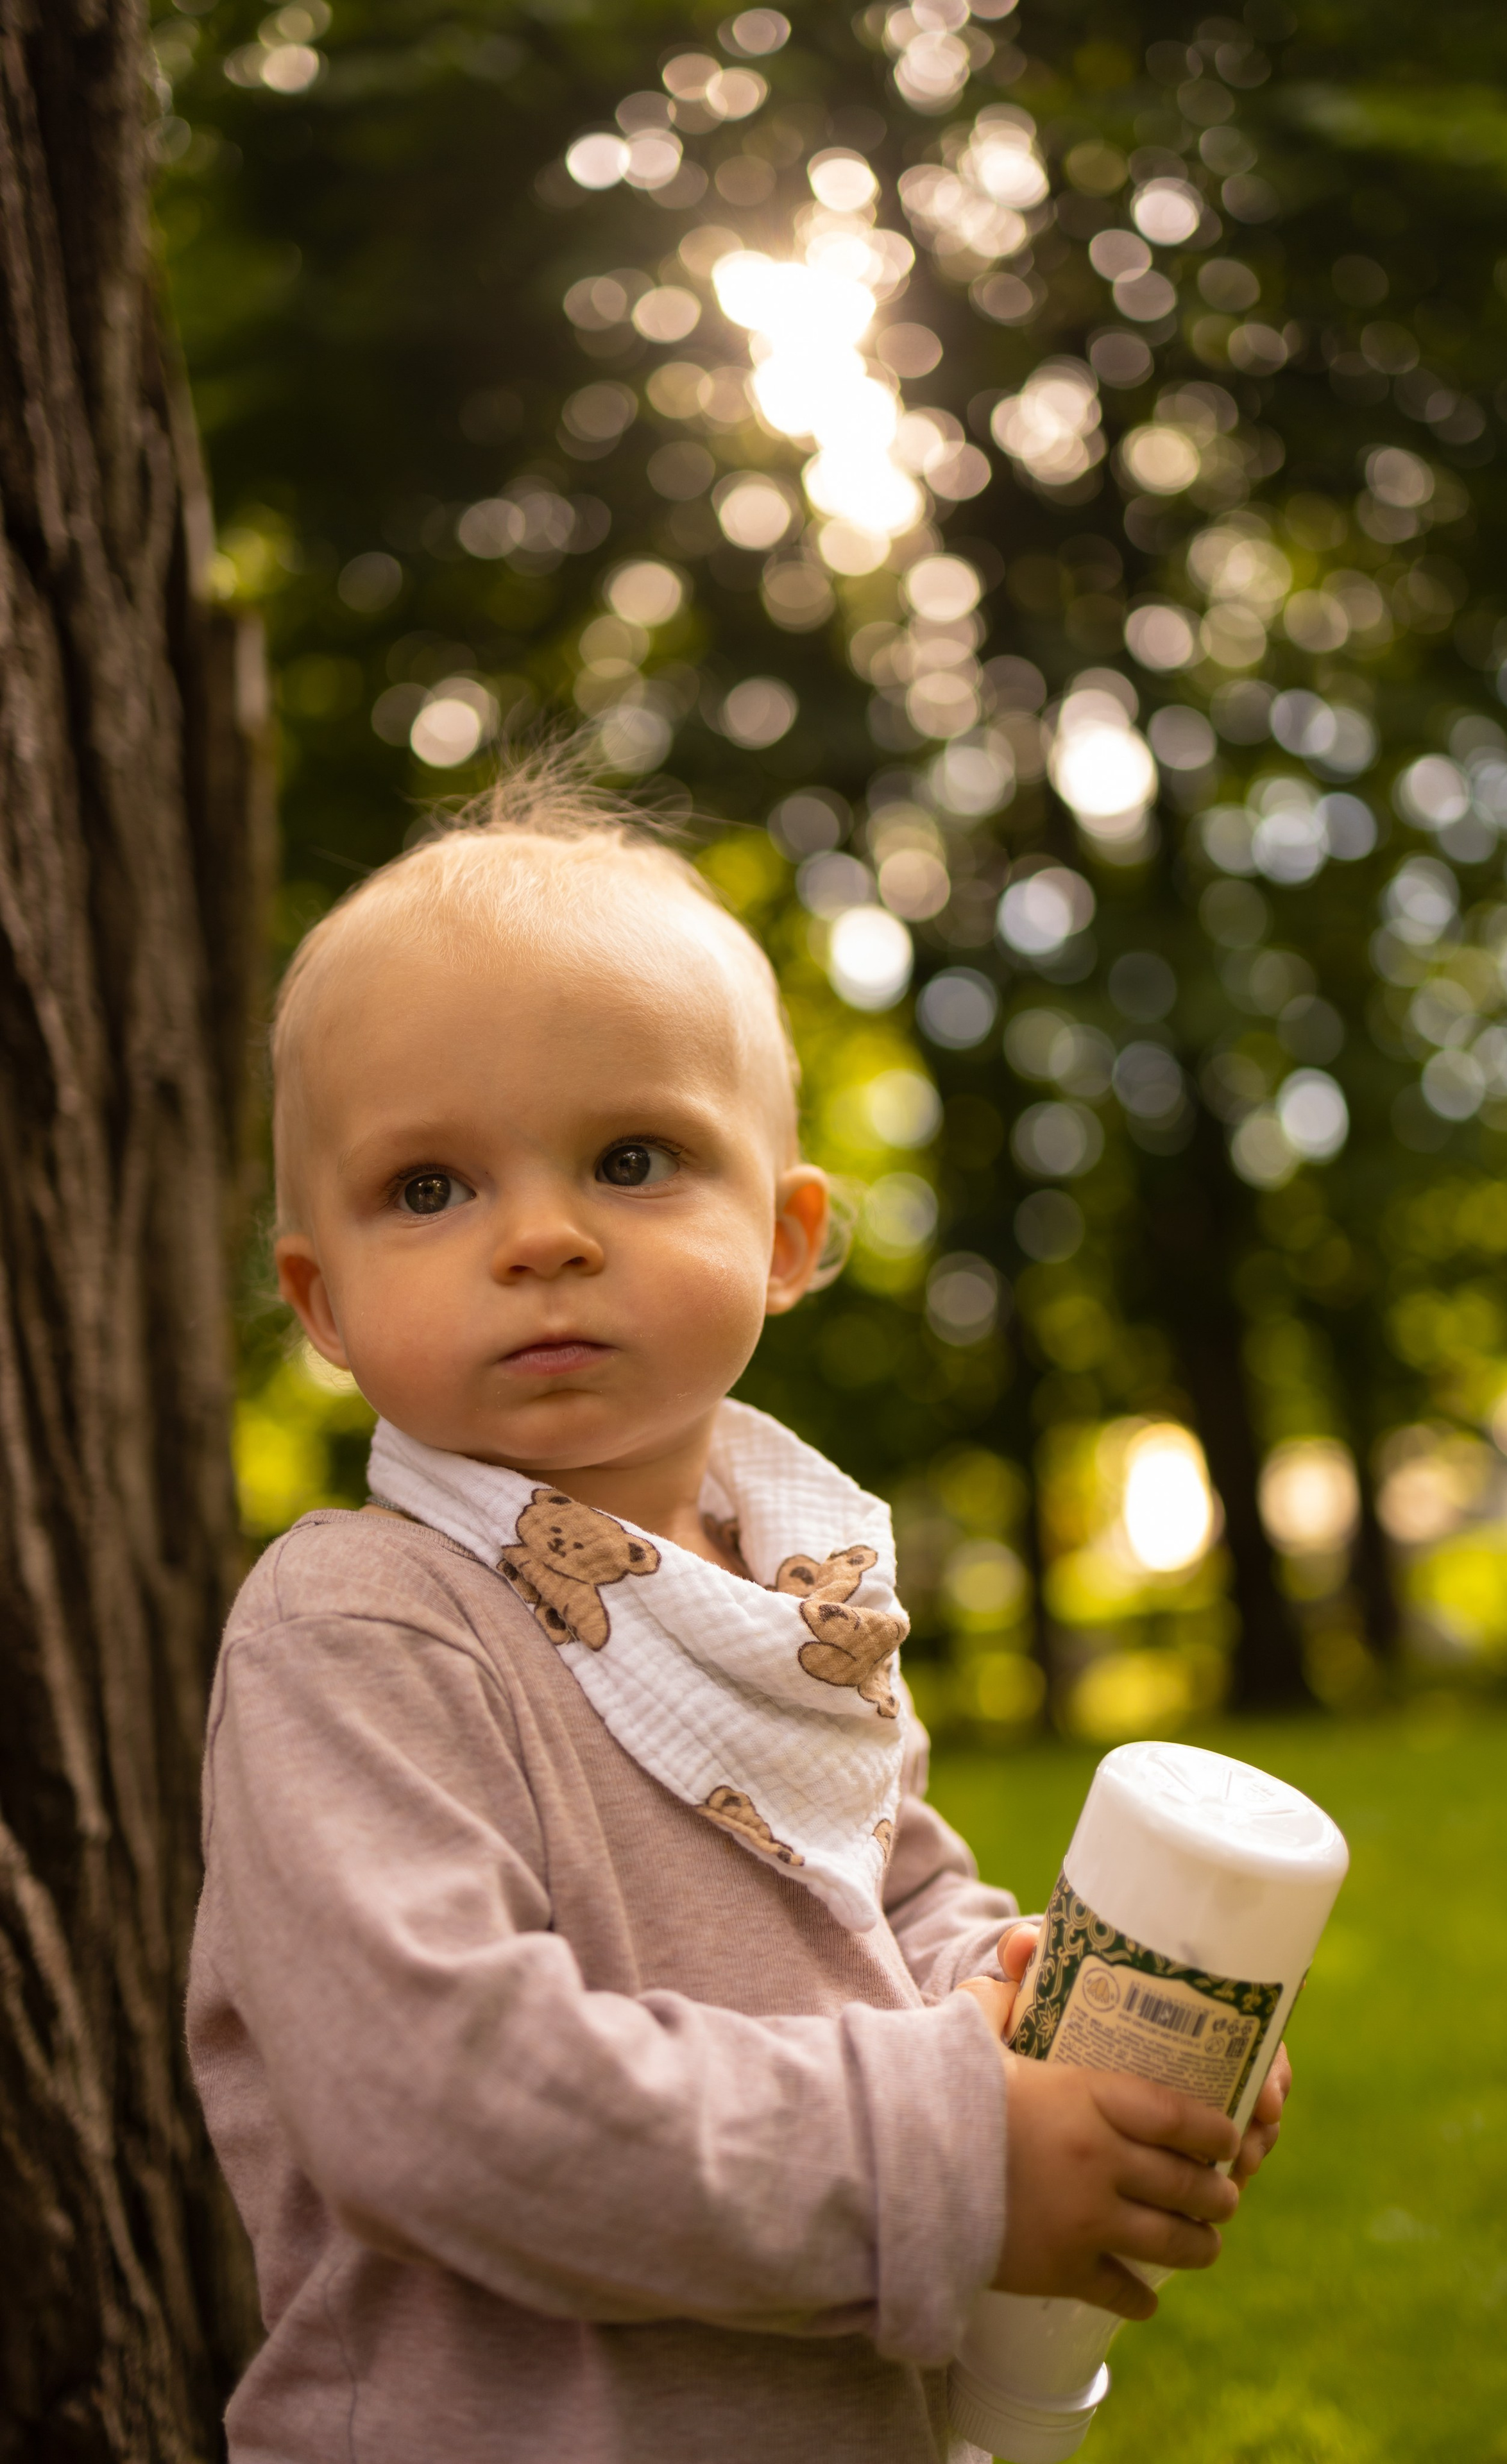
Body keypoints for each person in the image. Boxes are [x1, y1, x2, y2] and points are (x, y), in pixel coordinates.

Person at [188, 763, 1291, 2463]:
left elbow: (890, 1898)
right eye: (429, 1188)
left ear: (783, 1239)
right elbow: (443, 2106)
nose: (541, 1238)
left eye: (633, 1159)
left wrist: (1061, 2044)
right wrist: (961, 2160)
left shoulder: (799, 1589)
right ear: (322, 1299)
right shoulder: (362, 1627)